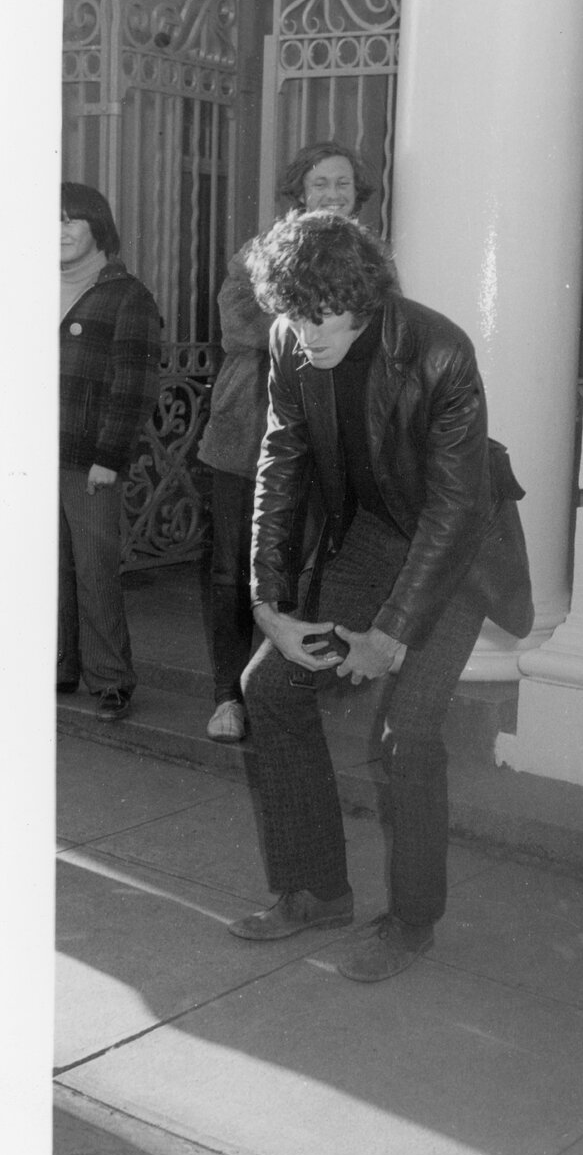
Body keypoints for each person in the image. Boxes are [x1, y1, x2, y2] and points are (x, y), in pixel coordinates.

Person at [228, 211, 533, 983]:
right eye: (292, 316)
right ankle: (317, 892)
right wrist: (270, 604)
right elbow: (282, 463)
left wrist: (389, 635)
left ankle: (411, 920)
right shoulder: (289, 345)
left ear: (362, 298)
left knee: (409, 730)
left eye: (322, 315)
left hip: (456, 549)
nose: (308, 333)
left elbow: (454, 511)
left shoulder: (438, 350)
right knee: (270, 684)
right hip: (373, 537)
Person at [198, 142, 374, 743]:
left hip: (327, 441)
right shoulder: (260, 252)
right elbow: (241, 325)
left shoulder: (367, 258)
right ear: (299, 192)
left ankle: (288, 694)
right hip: (244, 436)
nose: (332, 194)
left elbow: (381, 330)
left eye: (342, 184)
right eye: (320, 183)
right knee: (231, 572)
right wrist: (327, 317)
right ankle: (228, 696)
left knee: (309, 567)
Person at [58, 182, 162, 721]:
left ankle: (111, 679)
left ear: (97, 226)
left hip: (89, 458)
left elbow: (134, 386)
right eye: (50, 219)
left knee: (94, 568)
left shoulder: (127, 295)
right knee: (46, 567)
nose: (60, 230)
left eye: (71, 219)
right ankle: (58, 666)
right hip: (36, 455)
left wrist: (109, 456)